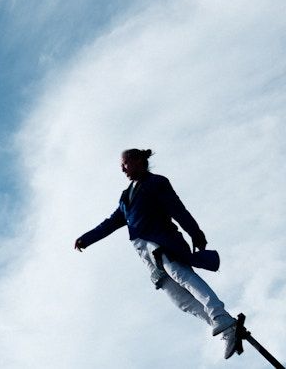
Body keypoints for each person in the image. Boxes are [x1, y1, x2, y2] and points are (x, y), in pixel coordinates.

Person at [74, 149, 239, 360]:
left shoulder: (156, 183)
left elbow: (177, 209)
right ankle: (225, 327)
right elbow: (111, 223)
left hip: (161, 242)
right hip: (145, 254)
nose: (122, 169)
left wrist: (195, 233)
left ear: (138, 161)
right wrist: (87, 238)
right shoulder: (125, 197)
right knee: (179, 300)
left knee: (181, 275)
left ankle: (219, 313)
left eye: (125, 163)